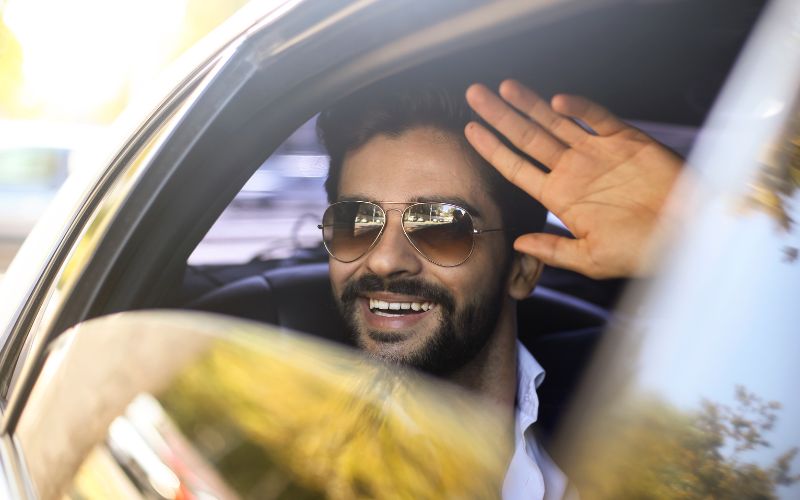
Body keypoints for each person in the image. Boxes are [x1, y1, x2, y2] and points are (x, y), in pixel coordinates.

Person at [316, 79, 682, 499]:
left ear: (522, 270)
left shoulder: (629, 422)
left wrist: (708, 234)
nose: (384, 260)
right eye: (356, 221)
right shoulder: (269, 450)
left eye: (440, 225)